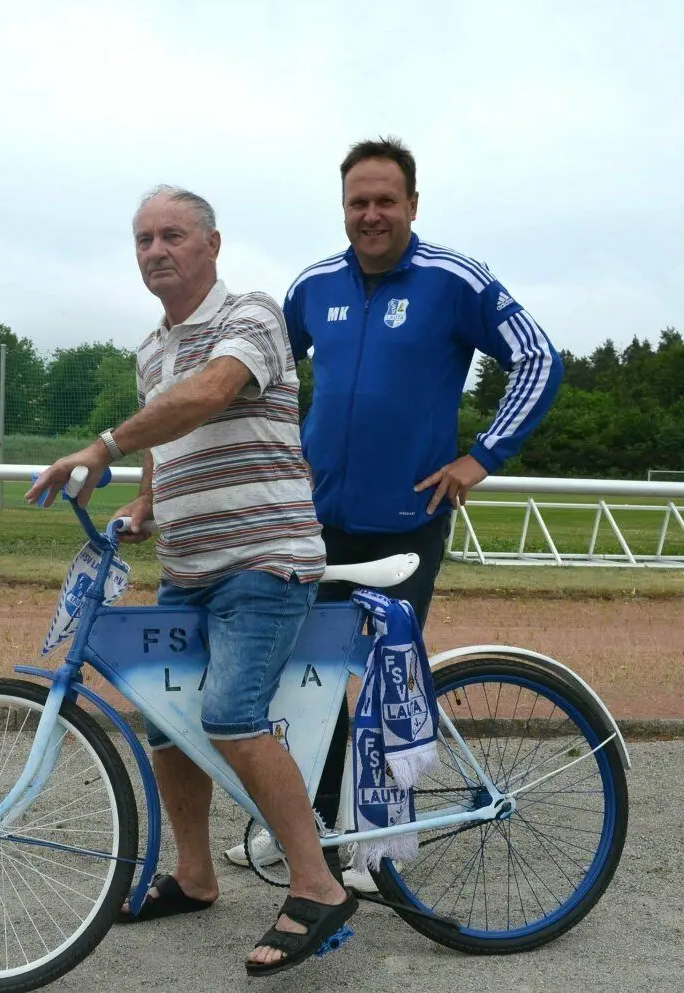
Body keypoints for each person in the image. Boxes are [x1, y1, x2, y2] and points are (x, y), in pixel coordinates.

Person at [25, 185, 354, 976]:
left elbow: (207, 396)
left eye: (172, 235)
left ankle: (318, 884)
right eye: (143, 239)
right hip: (187, 566)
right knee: (166, 722)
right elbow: (166, 438)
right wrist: (145, 502)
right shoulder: (151, 350)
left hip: (264, 560)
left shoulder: (253, 314)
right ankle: (196, 875)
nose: (156, 250)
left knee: (230, 716)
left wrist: (101, 444)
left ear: (213, 244)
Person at [223, 135, 564, 876]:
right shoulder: (314, 286)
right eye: (359, 202)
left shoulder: (453, 279)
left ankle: (379, 848)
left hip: (407, 526)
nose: (371, 214)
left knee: (382, 688)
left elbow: (539, 359)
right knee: (302, 682)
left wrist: (482, 457)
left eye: (386, 200)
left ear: (412, 203)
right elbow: (260, 376)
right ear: (342, 207)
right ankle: (312, 825)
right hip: (313, 523)